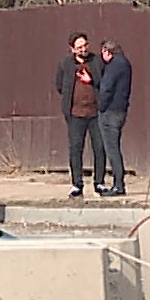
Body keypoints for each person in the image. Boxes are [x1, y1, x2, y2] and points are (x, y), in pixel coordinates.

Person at [53, 31, 106, 198]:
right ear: (72, 49)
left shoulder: (97, 61)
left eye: (85, 45)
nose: (83, 49)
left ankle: (99, 183)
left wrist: (91, 80)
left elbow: (105, 84)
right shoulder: (65, 64)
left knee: (99, 148)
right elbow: (60, 86)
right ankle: (77, 184)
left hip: (96, 113)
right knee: (76, 149)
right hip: (75, 114)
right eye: (79, 47)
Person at [94, 39, 132, 197]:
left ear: (107, 52)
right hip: (121, 110)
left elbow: (106, 88)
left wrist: (100, 106)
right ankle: (118, 183)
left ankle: (118, 185)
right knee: (114, 146)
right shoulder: (125, 64)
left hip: (110, 112)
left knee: (112, 149)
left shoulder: (113, 66)